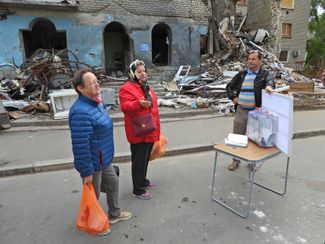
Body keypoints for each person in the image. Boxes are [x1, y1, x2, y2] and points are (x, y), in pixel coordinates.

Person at [69, 69, 132, 236]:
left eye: (97, 81)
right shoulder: (80, 112)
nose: (97, 84)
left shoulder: (96, 103)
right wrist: (86, 171)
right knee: (93, 195)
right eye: (92, 83)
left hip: (104, 158)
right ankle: (93, 224)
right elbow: (80, 145)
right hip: (92, 163)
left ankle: (114, 214)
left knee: (113, 183)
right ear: (80, 88)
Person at [226, 50, 275, 171]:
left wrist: (269, 86)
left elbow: (270, 81)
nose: (250, 61)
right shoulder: (242, 74)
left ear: (260, 61)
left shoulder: (264, 74)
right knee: (237, 136)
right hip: (241, 110)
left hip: (256, 112)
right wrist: (233, 98)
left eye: (253, 59)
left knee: (254, 138)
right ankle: (235, 160)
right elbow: (229, 86)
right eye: (249, 59)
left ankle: (252, 161)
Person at [119, 59, 161, 200]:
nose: (143, 74)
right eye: (139, 71)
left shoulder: (145, 86)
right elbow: (125, 106)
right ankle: (137, 189)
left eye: (144, 71)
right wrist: (138, 104)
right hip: (138, 131)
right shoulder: (126, 87)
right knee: (138, 161)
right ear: (132, 73)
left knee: (145, 159)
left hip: (149, 129)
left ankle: (143, 181)